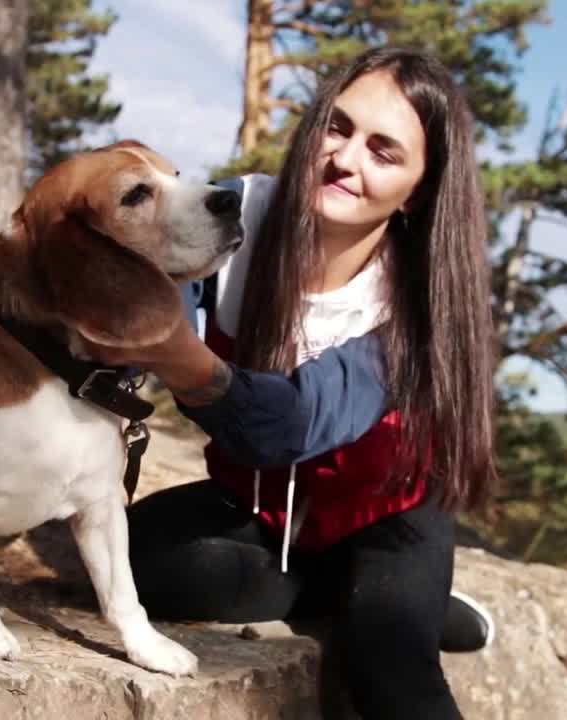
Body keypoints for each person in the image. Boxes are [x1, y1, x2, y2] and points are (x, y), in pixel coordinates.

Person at [87, 46, 497, 719]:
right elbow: (130, 333)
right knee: (125, 562)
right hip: (261, 507)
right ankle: (340, 592)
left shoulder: (419, 302)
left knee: (388, 662)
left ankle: (395, 603)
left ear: (416, 192)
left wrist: (176, 354)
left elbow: (288, 425)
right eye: (337, 127)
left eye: (383, 151)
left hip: (384, 516)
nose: (345, 158)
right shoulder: (232, 214)